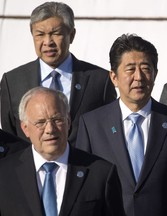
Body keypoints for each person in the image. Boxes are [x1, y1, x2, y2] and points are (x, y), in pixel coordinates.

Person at [75, 34, 167, 216]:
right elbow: (83, 190)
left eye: (146, 68)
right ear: (114, 77)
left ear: (155, 73)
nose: (139, 77)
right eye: (130, 69)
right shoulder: (92, 124)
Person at [0, 2, 116, 147]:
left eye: (56, 33)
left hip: (85, 167)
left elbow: (112, 131)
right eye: (40, 34)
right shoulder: (12, 82)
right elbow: (10, 139)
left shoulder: (100, 80)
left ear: (71, 35)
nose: (48, 42)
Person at [0, 87, 125, 216]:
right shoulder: (4, 174)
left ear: (68, 121)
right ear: (25, 128)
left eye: (57, 120)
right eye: (41, 122)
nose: (50, 129)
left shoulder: (101, 174)